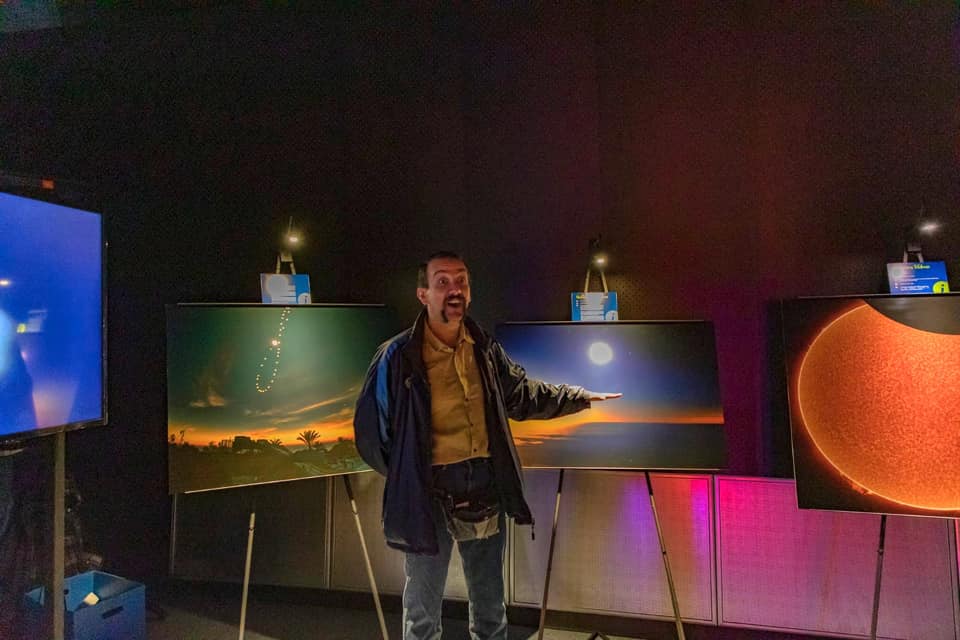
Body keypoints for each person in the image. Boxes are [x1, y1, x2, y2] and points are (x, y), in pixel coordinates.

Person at [354, 251, 620, 640]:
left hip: (483, 487)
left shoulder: (484, 348)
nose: (454, 289)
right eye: (442, 281)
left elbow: (521, 395)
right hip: (426, 494)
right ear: (423, 294)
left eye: (461, 280)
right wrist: (406, 474)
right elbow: (369, 432)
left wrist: (578, 397)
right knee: (422, 613)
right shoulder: (396, 356)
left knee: (491, 609)